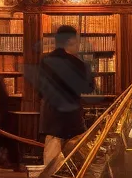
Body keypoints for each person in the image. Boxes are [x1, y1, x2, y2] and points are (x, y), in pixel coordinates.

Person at [38, 25, 94, 166]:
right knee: (76, 163)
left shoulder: (45, 61)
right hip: (72, 119)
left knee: (51, 165)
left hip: (51, 119)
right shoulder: (78, 64)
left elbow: (40, 90)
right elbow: (89, 88)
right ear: (70, 41)